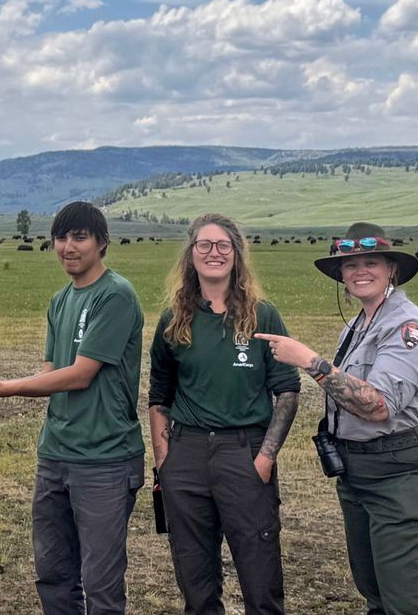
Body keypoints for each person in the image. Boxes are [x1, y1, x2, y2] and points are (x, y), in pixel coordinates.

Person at [0, 201, 144, 615]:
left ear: (102, 243)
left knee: (101, 584)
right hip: (55, 455)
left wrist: (2, 388)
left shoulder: (116, 295)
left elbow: (80, 374)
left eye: (79, 237)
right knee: (53, 575)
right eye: (61, 237)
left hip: (105, 458)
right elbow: (49, 374)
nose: (68, 247)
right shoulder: (59, 300)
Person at [256, 222, 418, 615]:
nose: (361, 271)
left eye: (371, 262)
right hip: (361, 473)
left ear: (391, 270)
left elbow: (378, 406)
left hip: (404, 478)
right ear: (341, 277)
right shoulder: (363, 323)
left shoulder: (406, 326)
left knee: (410, 601)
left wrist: (311, 362)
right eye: (350, 265)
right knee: (377, 592)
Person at [148, 213, 300, 614]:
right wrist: (165, 460)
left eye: (222, 246)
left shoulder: (262, 315)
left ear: (236, 254)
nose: (213, 253)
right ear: (191, 254)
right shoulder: (172, 320)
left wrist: (265, 459)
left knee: (261, 579)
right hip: (187, 453)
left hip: (244, 451)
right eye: (204, 245)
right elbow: (159, 395)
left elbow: (287, 391)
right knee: (196, 584)